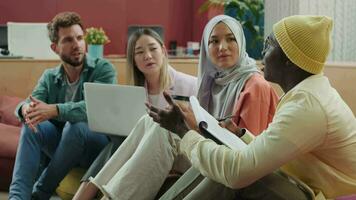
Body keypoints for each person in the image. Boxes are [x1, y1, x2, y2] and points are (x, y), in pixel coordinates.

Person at [148, 15, 356, 199]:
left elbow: (238, 172)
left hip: (317, 193)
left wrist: (184, 132)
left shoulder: (308, 105)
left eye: (270, 44)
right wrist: (241, 135)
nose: (263, 51)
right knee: (224, 163)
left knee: (233, 176)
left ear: (290, 61)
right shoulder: (305, 94)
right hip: (299, 183)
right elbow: (270, 149)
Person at [82, 14, 279, 200]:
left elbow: (246, 153)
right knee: (149, 120)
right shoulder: (213, 82)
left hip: (227, 164)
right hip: (210, 152)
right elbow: (208, 129)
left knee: (166, 131)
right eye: (214, 41)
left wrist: (187, 128)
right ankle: (103, 191)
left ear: (241, 42)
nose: (222, 47)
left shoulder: (255, 86)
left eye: (230, 39)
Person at [73, 28, 198, 199]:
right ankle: (93, 193)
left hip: (186, 151)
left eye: (153, 49)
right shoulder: (134, 95)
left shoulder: (191, 85)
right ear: (134, 60)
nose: (147, 55)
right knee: (125, 136)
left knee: (154, 124)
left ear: (163, 50)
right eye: (139, 52)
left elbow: (201, 131)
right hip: (147, 150)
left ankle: (86, 194)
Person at [9, 12, 117, 199]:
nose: (77, 45)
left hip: (95, 147)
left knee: (76, 126)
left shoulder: (103, 69)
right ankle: (17, 197)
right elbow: (29, 103)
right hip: (62, 148)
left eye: (79, 38)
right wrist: (26, 109)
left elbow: (95, 108)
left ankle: (40, 192)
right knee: (32, 125)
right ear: (55, 47)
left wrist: (55, 110)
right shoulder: (49, 77)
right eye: (68, 40)